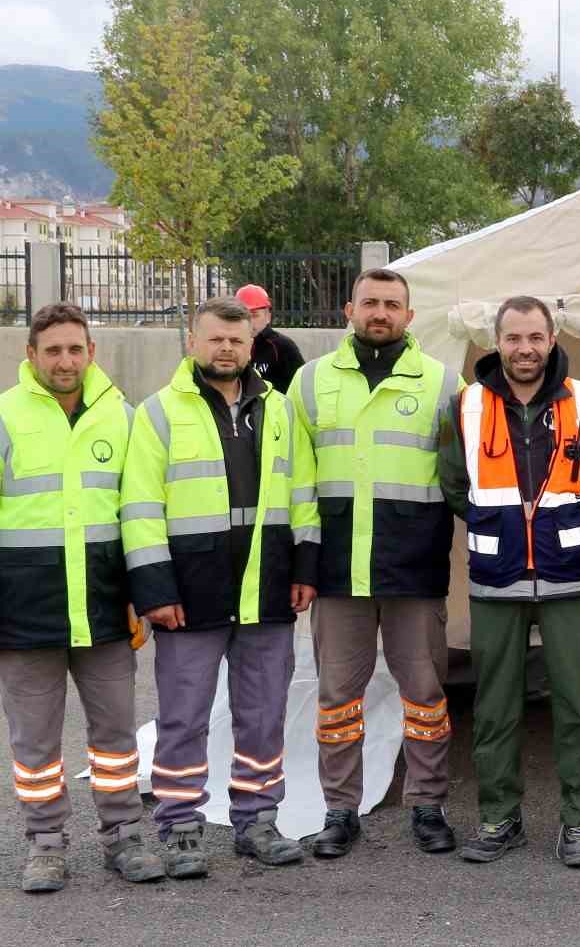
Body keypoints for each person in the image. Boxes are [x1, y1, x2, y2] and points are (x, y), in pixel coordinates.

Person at [122, 296, 320, 877]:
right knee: (183, 715)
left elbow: (302, 494)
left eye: (236, 340)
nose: (225, 348)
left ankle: (257, 819)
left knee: (262, 713)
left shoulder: (281, 411)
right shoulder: (158, 413)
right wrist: (155, 589)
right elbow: (139, 506)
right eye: (214, 339)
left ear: (252, 346)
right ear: (191, 342)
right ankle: (180, 825)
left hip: (267, 586)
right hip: (189, 588)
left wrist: (305, 571)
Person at [438, 296, 580, 866]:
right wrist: (501, 525)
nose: (525, 349)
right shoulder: (466, 404)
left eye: (535, 337)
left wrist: (556, 523)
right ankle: (498, 818)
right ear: (497, 341)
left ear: (552, 337)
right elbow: (452, 482)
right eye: (513, 338)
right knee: (494, 709)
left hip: (569, 578)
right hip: (496, 577)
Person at [290, 268, 461, 858]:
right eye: (371, 302)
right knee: (338, 697)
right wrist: (302, 564)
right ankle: (340, 809)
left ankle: (429, 805)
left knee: (424, 694)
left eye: (392, 303)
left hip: (413, 569)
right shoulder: (310, 383)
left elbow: (462, 477)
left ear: (410, 316)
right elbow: (295, 479)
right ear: (348, 310)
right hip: (338, 570)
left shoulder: (444, 383)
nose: (380, 312)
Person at [0, 304, 164, 892]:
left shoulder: (120, 416)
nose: (65, 360)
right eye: (53, 350)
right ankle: (46, 843)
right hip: (24, 610)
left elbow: (140, 512)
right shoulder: (5, 416)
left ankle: (123, 835)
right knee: (35, 741)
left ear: (91, 352)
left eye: (75, 349)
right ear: (31, 356)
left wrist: (141, 593)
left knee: (116, 735)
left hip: (102, 607)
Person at [237, 284, 306, 395]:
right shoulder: (229, 346)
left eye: (254, 315)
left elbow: (301, 386)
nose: (248, 321)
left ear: (268, 317)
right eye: (243, 315)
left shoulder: (283, 347)